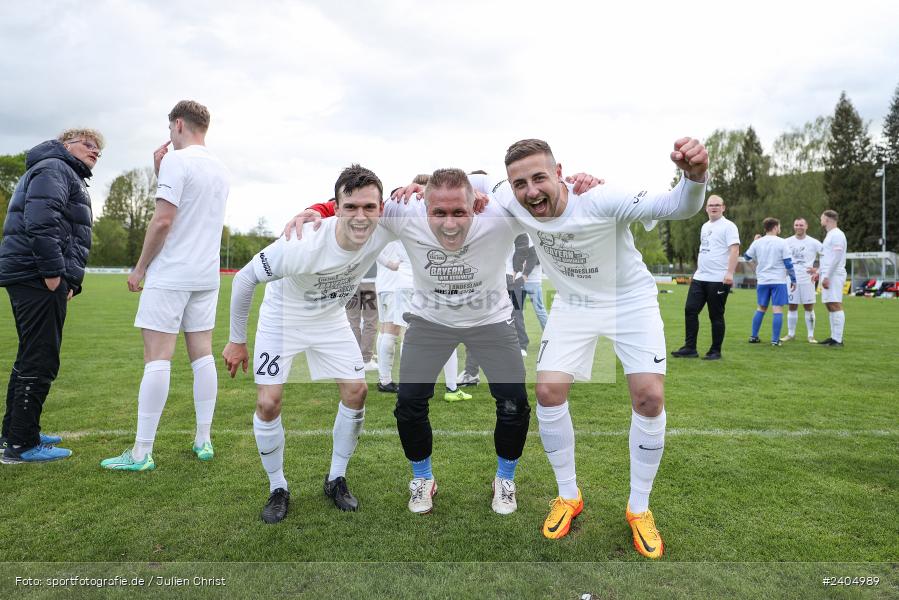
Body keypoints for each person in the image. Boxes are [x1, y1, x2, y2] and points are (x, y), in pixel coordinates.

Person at [488, 136, 708, 559]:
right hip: (574, 304)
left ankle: (638, 509)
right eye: (520, 183)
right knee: (549, 391)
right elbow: (474, 186)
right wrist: (415, 190)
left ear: (559, 172)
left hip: (631, 302)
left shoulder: (602, 198)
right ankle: (568, 496)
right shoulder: (511, 199)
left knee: (649, 398)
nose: (531, 191)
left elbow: (677, 206)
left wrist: (694, 176)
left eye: (539, 178)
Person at [224, 164, 391, 523]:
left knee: (357, 392)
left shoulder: (387, 225)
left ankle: (336, 478)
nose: (361, 217)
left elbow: (427, 200)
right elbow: (243, 279)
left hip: (330, 319)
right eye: (350, 207)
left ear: (381, 208)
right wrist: (237, 340)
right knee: (268, 402)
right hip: (283, 319)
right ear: (337, 206)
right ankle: (277, 487)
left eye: (370, 208)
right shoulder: (301, 242)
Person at [101, 100, 230, 471]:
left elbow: (163, 221)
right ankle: (203, 439)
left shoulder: (178, 159)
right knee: (202, 355)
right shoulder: (221, 168)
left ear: (177, 124)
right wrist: (162, 174)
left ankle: (141, 453)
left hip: (172, 272)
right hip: (206, 275)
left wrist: (140, 268)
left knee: (157, 358)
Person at [0, 128, 104, 463]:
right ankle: (20, 445)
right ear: (66, 145)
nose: (95, 150)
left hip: (32, 274)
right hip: (36, 275)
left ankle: (16, 433)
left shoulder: (59, 170)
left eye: (99, 148)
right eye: (88, 144)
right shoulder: (55, 168)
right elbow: (41, 222)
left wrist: (67, 278)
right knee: (40, 358)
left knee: (31, 354)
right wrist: (52, 274)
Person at [671, 195, 739, 360]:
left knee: (715, 315)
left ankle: (715, 351)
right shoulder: (704, 226)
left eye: (717, 205)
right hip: (700, 277)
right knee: (690, 310)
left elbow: (735, 250)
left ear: (723, 207)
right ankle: (690, 348)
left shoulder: (729, 226)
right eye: (711, 205)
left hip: (719, 279)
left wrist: (730, 273)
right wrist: (698, 271)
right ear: (706, 208)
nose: (714, 207)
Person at [743, 218, 797, 346]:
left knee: (761, 307)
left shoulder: (757, 242)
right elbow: (788, 263)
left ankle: (753, 336)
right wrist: (794, 279)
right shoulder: (782, 242)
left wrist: (755, 267)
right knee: (777, 309)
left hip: (762, 280)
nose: (780, 229)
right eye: (779, 226)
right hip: (778, 280)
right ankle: (774, 340)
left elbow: (746, 257)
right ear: (775, 227)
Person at [782, 218, 823, 343]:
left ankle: (811, 335)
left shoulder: (814, 242)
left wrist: (818, 270)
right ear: (793, 226)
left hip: (807, 279)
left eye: (801, 225)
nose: (799, 227)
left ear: (806, 226)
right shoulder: (786, 241)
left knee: (808, 307)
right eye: (796, 225)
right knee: (792, 306)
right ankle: (791, 334)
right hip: (791, 279)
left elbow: (827, 256)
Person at [815, 210, 847, 346]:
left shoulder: (838, 235)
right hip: (828, 274)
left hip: (834, 274)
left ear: (827, 219)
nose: (820, 220)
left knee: (835, 303)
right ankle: (833, 337)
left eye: (822, 218)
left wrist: (827, 276)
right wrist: (818, 271)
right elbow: (827, 257)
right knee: (829, 304)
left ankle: (838, 340)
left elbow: (837, 257)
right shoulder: (830, 235)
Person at [345, 263, 379, 370]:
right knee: (370, 321)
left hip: (351, 280)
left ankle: (354, 357)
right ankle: (365, 359)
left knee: (353, 321)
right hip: (369, 281)